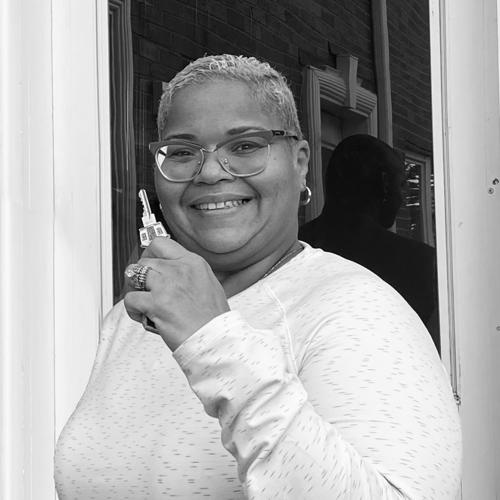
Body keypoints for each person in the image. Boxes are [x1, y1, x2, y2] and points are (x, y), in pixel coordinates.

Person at [54, 54, 461, 499]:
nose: (210, 172)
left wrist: (212, 340)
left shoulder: (357, 310)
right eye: (184, 152)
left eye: (245, 146)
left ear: (300, 163)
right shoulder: (128, 320)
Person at [299, 135, 440, 351]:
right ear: (385, 185)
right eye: (401, 185)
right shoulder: (420, 262)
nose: (403, 199)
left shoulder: (289, 251)